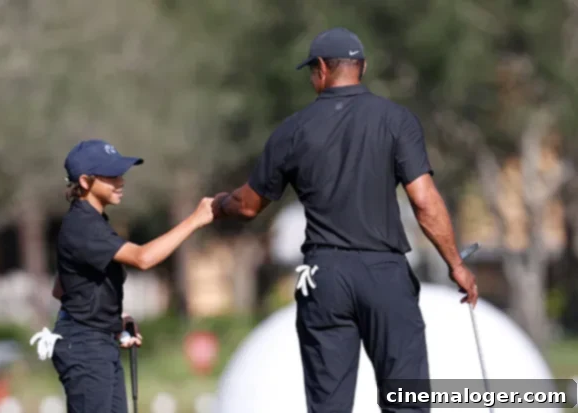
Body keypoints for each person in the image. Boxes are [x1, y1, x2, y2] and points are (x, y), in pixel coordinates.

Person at [211, 27, 478, 413]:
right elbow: (424, 202)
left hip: (323, 273)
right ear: (362, 67)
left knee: (328, 405)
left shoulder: (293, 129)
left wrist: (219, 204)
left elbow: (248, 205)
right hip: (384, 271)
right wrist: (456, 264)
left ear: (320, 68)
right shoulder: (396, 120)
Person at [31, 139, 214, 413]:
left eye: (121, 174)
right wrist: (195, 220)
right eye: (111, 175)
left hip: (95, 341)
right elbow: (143, 258)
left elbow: (62, 288)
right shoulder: (83, 225)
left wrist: (113, 321)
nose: (121, 181)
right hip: (85, 347)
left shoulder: (93, 222)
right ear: (85, 181)